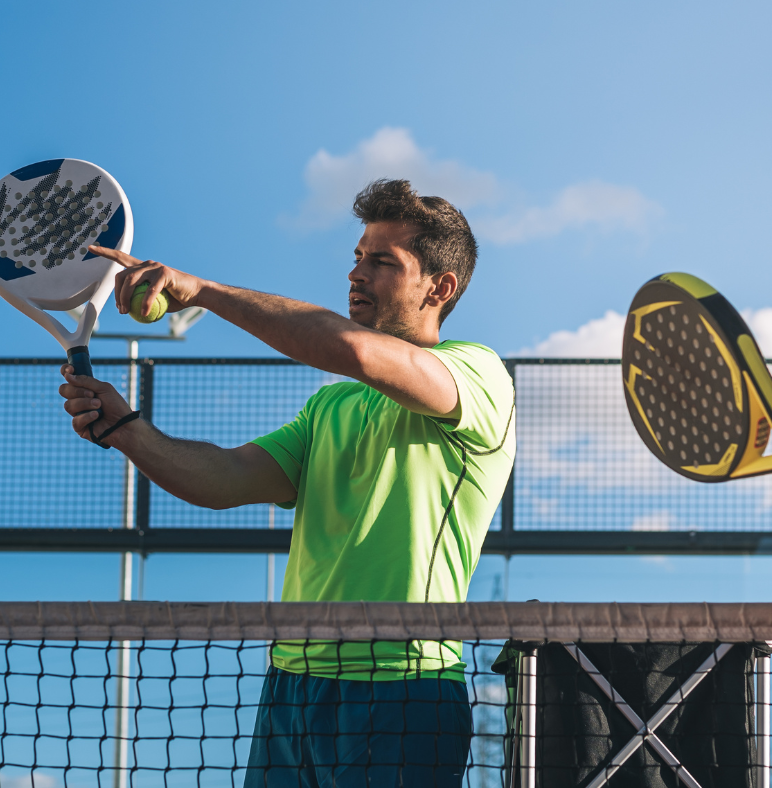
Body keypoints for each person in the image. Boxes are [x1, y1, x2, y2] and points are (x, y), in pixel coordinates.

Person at [58, 178, 516, 787]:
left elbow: (351, 349)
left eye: (382, 262)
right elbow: (223, 480)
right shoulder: (329, 409)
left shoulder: (479, 375)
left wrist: (200, 291)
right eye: (357, 258)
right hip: (292, 682)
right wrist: (127, 429)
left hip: (405, 683)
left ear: (441, 287)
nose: (357, 274)